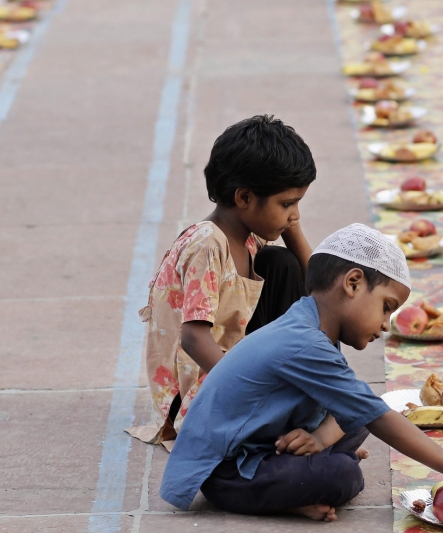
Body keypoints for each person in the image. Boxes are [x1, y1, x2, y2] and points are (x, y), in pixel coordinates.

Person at [159, 223, 443, 521]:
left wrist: (321, 438)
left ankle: (298, 480)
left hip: (258, 445)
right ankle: (288, 497)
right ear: (352, 283)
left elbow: (357, 405)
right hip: (227, 472)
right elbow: (376, 415)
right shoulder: (304, 342)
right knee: (343, 474)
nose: (385, 325)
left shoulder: (311, 322)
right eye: (386, 307)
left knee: (354, 420)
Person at [126, 116, 316, 446]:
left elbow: (316, 287)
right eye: (287, 204)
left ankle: (299, 406)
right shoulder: (207, 244)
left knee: (282, 264)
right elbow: (193, 339)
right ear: (243, 198)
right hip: (202, 387)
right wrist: (251, 386)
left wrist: (292, 226)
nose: (293, 213)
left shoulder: (248, 237)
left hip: (236, 364)